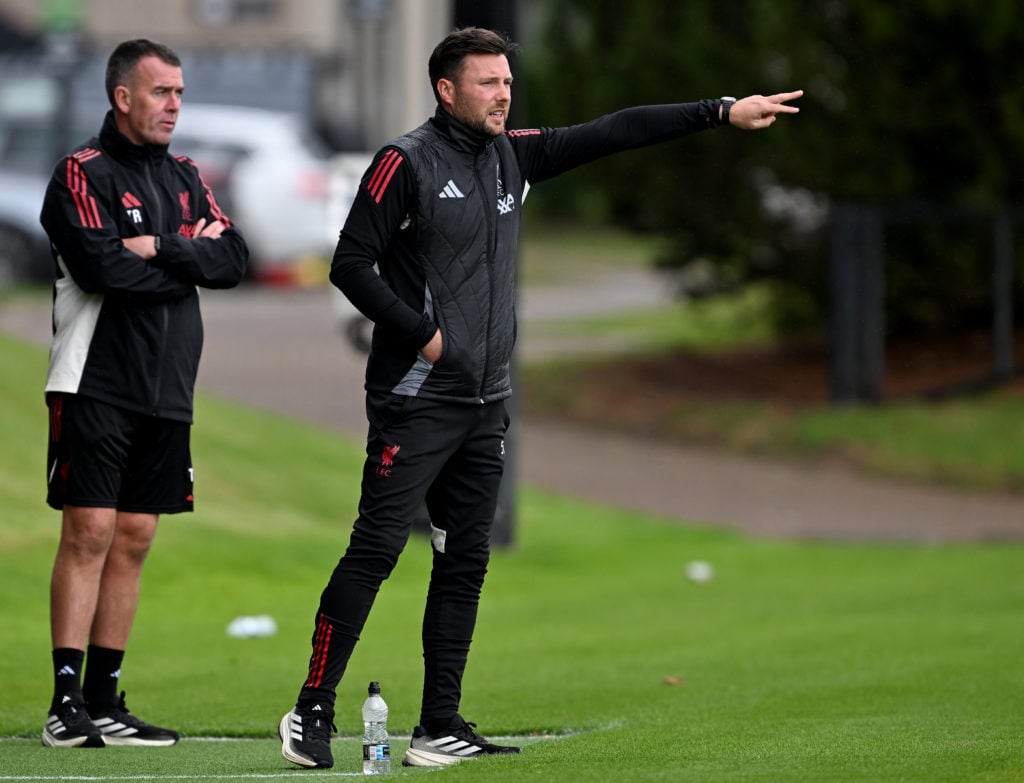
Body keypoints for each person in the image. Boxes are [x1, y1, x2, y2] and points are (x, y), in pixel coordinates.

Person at [279, 26, 800, 770]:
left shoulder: (511, 155)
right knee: (378, 548)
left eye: (507, 81)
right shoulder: (405, 161)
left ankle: (439, 723)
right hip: (415, 397)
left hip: (485, 401)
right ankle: (311, 709)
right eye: (487, 82)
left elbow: (614, 131)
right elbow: (350, 264)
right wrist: (425, 335)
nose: (503, 93)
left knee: (464, 560)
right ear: (446, 89)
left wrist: (720, 110)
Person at [39, 38, 248, 748]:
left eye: (180, 93)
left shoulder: (189, 176)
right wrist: (191, 254)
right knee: (90, 531)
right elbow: (100, 270)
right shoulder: (80, 173)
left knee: (134, 535)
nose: (174, 106)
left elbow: (234, 259)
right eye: (162, 93)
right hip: (94, 380)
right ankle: (64, 701)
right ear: (123, 97)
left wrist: (161, 248)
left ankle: (103, 697)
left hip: (167, 388)